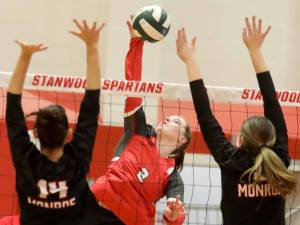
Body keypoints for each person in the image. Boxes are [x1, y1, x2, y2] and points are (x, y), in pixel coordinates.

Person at [176, 16, 298, 225]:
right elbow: (272, 102)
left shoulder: (230, 160)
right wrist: (256, 51)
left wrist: (190, 60)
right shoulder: (280, 158)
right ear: (272, 136)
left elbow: (204, 114)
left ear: (240, 140)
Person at [5, 19, 109, 225]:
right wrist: (92, 47)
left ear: (35, 133)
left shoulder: (26, 161)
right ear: (68, 133)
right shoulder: (77, 160)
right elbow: (91, 103)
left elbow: (12, 110)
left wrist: (25, 56)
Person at [91, 18, 190, 225]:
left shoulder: (172, 176)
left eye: (173, 121)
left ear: (182, 138)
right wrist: (136, 43)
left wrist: (175, 214)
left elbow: (177, 215)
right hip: (98, 211)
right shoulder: (139, 132)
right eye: (167, 117)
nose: (165, 119)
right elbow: (133, 87)